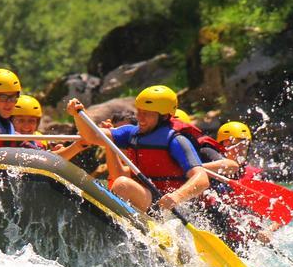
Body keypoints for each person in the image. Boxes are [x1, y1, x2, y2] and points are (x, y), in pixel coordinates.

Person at [67, 85, 211, 214]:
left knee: (122, 184)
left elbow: (202, 179)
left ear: (164, 116)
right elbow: (92, 136)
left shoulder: (176, 141)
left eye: (147, 114)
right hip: (145, 196)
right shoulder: (130, 133)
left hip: (167, 205)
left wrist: (177, 196)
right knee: (120, 184)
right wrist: (79, 115)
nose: (140, 118)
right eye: (139, 112)